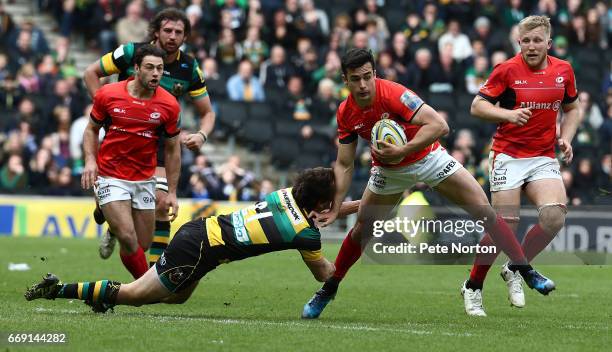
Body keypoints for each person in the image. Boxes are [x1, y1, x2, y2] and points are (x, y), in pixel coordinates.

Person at [301, 48, 556, 319]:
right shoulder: (346, 113)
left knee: (486, 212)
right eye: (355, 79)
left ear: (375, 74)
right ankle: (328, 290)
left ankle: (524, 269)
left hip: (427, 157)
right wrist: (336, 203)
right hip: (388, 170)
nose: (363, 84)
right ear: (345, 80)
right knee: (362, 230)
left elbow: (439, 125)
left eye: (367, 76)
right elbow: (344, 164)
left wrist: (404, 149)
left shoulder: (394, 94)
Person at [24, 168, 360, 313]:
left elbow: (327, 209)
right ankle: (58, 289)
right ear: (318, 204)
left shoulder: (285, 195)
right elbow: (325, 274)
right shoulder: (305, 235)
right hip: (199, 251)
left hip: (201, 235)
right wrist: (348, 258)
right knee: (136, 295)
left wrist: (364, 204)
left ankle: (157, 229)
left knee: (177, 298)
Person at [462, 16, 581, 316]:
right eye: (525, 41)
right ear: (519, 42)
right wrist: (508, 116)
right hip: (508, 155)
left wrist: (566, 138)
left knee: (554, 217)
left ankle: (514, 267)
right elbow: (477, 106)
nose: (531, 46)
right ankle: (473, 286)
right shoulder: (506, 70)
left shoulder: (563, 70)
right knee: (506, 225)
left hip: (542, 156)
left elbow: (573, 108)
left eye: (537, 40)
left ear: (548, 43)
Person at [83, 8, 215, 267]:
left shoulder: (189, 67)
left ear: (186, 36)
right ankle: (115, 222)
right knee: (124, 208)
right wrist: (108, 111)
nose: (172, 36)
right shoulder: (132, 52)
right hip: (122, 134)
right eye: (167, 30)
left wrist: (202, 134)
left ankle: (156, 272)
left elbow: (207, 112)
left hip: (158, 142)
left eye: (179, 32)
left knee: (162, 204)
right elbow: (91, 73)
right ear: (156, 31)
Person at [81, 44, 181, 279]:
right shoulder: (109, 94)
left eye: (160, 68)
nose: (156, 73)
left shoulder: (169, 105)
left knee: (141, 244)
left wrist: (173, 192)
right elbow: (91, 130)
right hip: (110, 174)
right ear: (136, 68)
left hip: (144, 179)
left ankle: (110, 224)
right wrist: (89, 161)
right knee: (128, 236)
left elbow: (173, 149)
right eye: (149, 67)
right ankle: (147, 287)